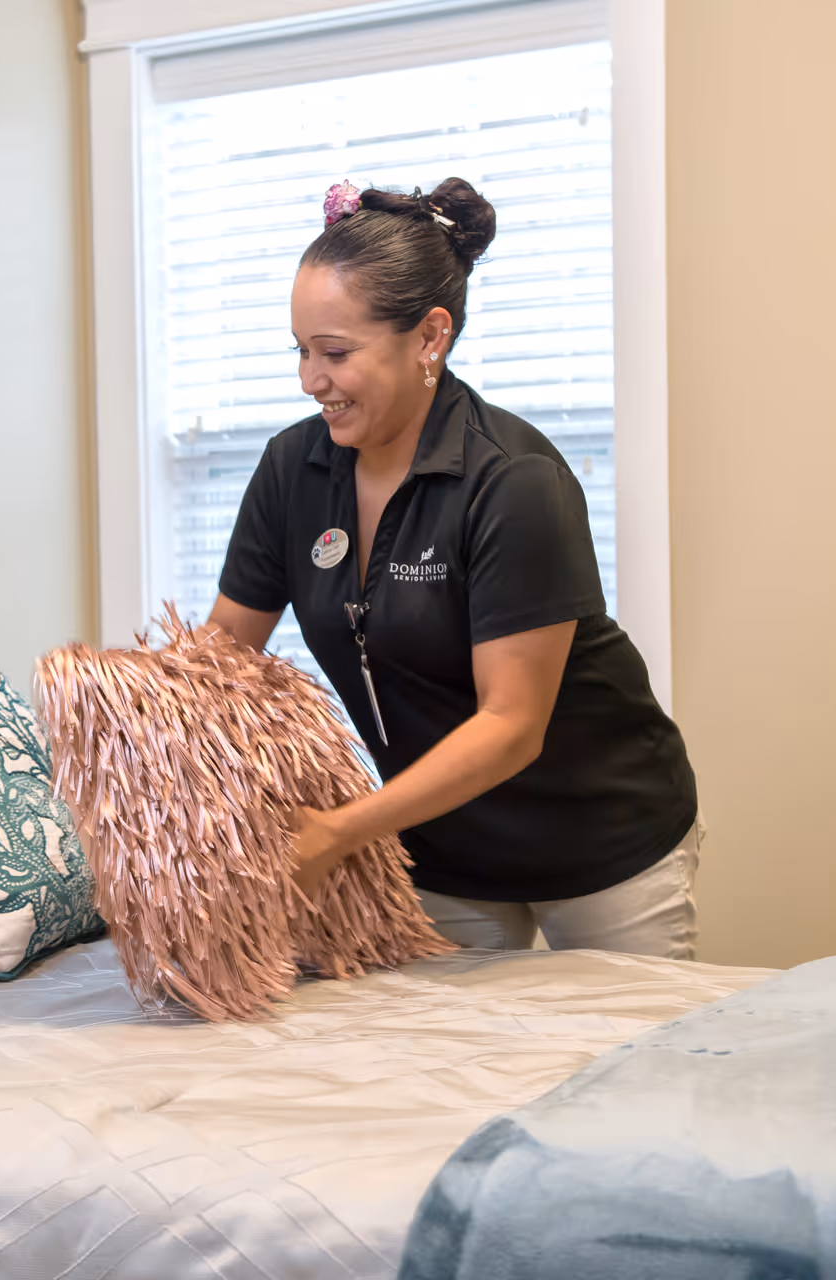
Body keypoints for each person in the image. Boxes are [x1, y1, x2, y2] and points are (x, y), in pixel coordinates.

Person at [206, 178, 702, 959]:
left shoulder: (512, 481)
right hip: (437, 847)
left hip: (599, 836)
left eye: (335, 353)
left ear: (430, 336)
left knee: (621, 1068)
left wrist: (336, 833)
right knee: (451, 1072)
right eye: (301, 351)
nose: (310, 380)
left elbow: (510, 726)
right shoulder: (292, 471)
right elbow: (218, 664)